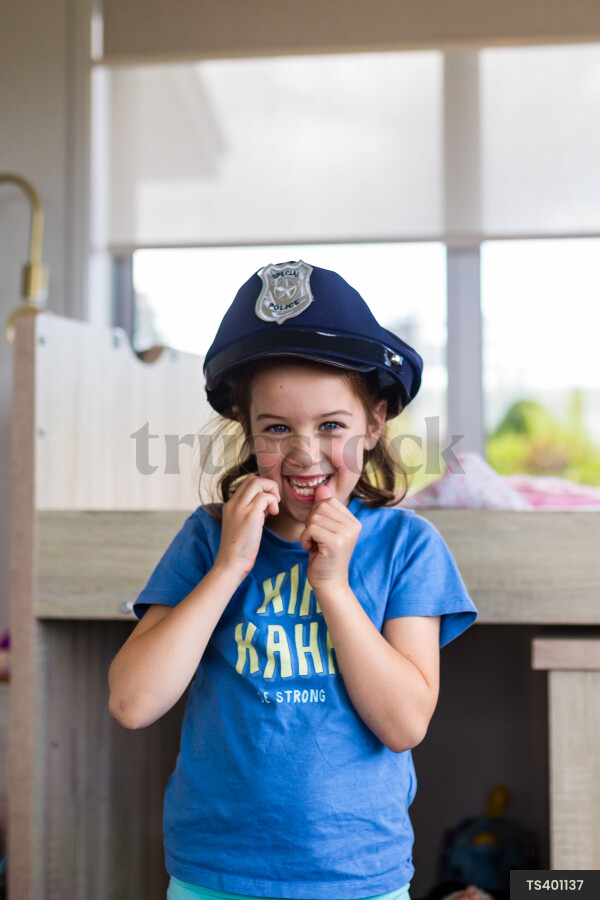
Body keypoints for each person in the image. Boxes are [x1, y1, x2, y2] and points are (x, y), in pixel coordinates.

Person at [108, 261, 478, 900]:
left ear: (375, 421)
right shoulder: (208, 538)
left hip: (357, 877)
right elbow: (133, 702)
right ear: (248, 433)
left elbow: (404, 724)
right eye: (277, 428)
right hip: (212, 875)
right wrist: (230, 567)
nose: (306, 454)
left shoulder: (407, 547)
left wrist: (333, 587)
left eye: (332, 425)